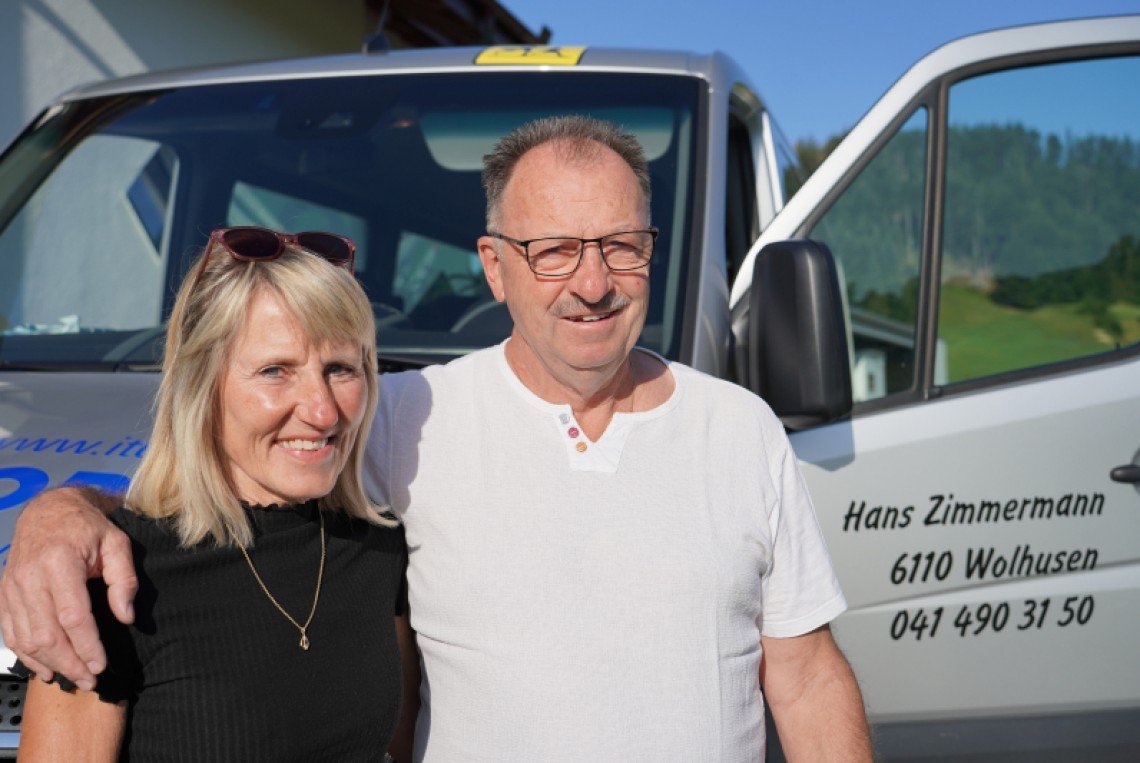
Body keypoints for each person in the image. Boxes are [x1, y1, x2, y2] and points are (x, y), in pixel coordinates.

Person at [1, 117, 871, 760]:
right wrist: (63, 509)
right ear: (494, 266)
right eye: (555, 250)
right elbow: (228, 495)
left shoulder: (740, 428)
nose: (595, 282)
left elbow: (805, 676)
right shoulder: (408, 419)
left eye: (621, 245)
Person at [13, 227, 416, 760]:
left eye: (341, 368)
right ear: (202, 384)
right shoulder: (117, 580)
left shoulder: (378, 549)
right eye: (276, 371)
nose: (322, 411)